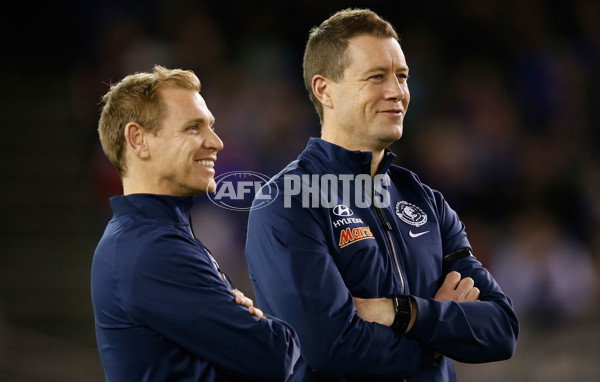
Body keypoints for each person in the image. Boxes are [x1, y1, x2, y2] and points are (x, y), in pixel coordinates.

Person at [244, 8, 518, 381]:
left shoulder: (425, 200)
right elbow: (332, 348)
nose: (397, 92)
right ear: (324, 90)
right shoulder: (287, 201)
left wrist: (400, 312)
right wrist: (440, 337)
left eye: (401, 76)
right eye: (376, 77)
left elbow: (501, 330)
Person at [91, 65, 300, 381]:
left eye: (210, 126)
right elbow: (274, 359)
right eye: (193, 127)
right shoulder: (151, 250)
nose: (216, 142)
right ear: (138, 139)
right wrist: (265, 327)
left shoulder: (155, 236)